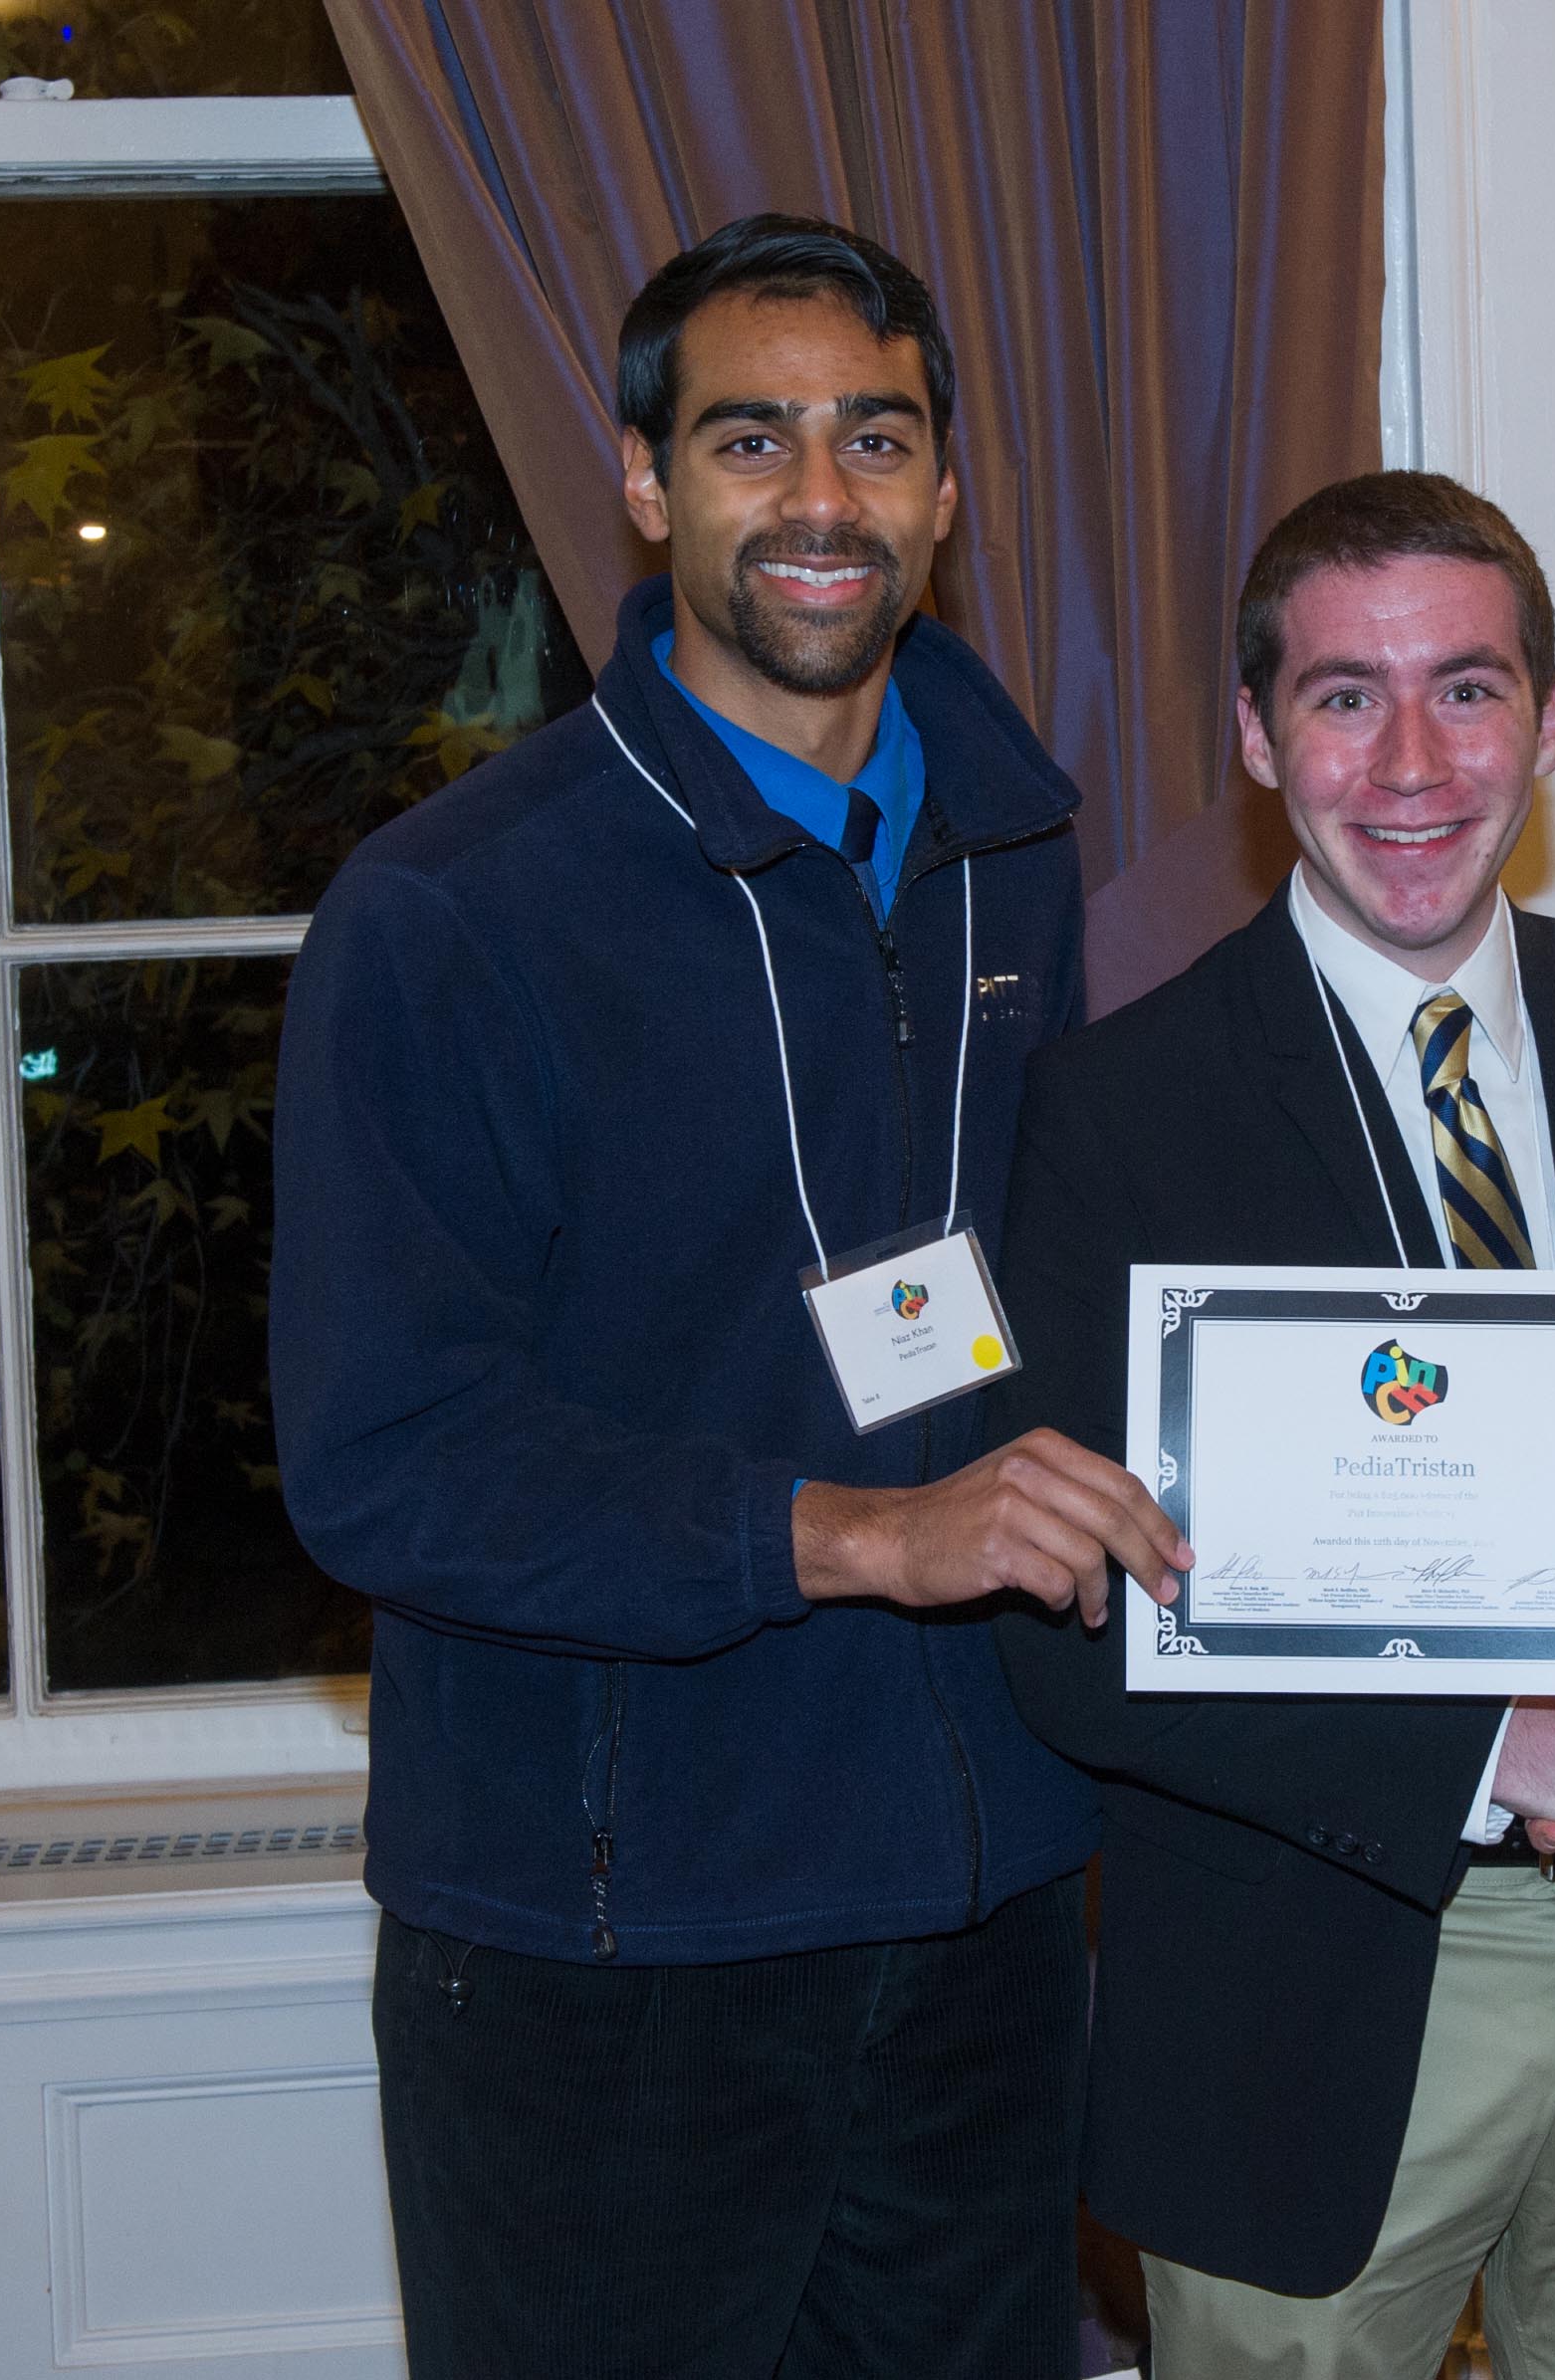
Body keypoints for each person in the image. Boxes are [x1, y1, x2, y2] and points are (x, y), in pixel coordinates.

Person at [270, 214, 1183, 2380]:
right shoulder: (452, 915)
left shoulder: (1011, 856)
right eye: (751, 437)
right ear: (649, 481)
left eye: (876, 437)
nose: (820, 494)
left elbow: (1013, 1294)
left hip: (976, 1911)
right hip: (614, 1941)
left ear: (947, 492)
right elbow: (385, 1462)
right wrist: (860, 1531)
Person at [990, 470, 1555, 2380]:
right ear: (1253, 735)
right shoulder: (1119, 1115)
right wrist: (1498, 1751)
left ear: (1550, 724)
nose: (1411, 760)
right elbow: (1052, 1628)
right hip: (1316, 1971)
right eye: (1341, 695)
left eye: (1467, 690)